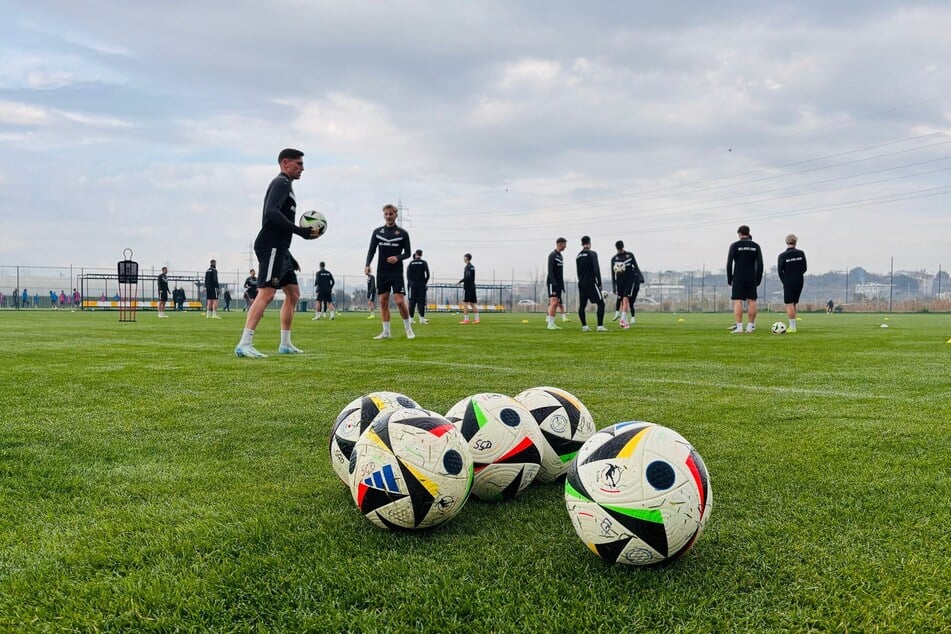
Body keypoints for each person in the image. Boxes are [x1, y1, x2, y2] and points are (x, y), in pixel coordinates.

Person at [235, 148, 320, 358]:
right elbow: (271, 213)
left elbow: (279, 220)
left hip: (281, 248)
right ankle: (244, 343)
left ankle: (285, 344)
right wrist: (300, 231)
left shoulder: (288, 186)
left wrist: (289, 255)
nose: (302, 168)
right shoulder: (281, 182)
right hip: (270, 244)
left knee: (293, 294)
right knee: (267, 292)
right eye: (298, 164)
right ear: (285, 163)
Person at [365, 203, 415, 340]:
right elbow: (371, 250)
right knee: (383, 301)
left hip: (396, 272)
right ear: (384, 215)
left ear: (395, 215)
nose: (388, 216)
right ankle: (386, 332)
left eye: (391, 214)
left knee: (399, 301)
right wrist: (367, 264)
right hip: (382, 272)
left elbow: (408, 253)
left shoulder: (403, 233)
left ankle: (408, 328)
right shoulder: (377, 232)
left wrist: (397, 258)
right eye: (386, 214)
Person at [726, 224, 764, 334]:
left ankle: (739, 327)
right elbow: (760, 264)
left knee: (738, 301)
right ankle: (750, 326)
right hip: (751, 277)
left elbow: (729, 264)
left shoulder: (734, 246)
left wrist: (730, 278)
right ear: (748, 233)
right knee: (752, 301)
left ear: (739, 234)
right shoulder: (756, 246)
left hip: (738, 277)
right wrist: (758, 278)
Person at [610, 240, 645, 329]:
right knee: (623, 301)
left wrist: (641, 277)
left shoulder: (629, 255)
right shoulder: (614, 259)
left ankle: (623, 320)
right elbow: (613, 274)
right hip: (619, 282)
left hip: (629, 280)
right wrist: (614, 287)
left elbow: (636, 267)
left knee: (625, 300)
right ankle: (624, 321)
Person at [576, 236, 607, 332]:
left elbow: (578, 272)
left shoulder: (578, 256)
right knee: (601, 303)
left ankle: (584, 326)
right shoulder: (592, 253)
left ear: (582, 243)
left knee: (582, 306)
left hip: (581, 283)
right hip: (591, 282)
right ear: (589, 243)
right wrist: (599, 283)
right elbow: (596, 269)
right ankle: (600, 326)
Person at [777, 234, 807, 332]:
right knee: (794, 303)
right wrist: (797, 274)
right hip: (799, 281)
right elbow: (804, 268)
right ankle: (793, 325)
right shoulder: (801, 253)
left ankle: (792, 327)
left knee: (789, 303)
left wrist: (784, 281)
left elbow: (780, 271)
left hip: (788, 281)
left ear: (786, 242)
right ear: (795, 242)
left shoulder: (782, 256)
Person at [546, 238, 567, 330]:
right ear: (559, 244)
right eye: (564, 244)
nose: (565, 246)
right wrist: (553, 283)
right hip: (552, 282)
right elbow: (550, 271)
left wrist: (561, 285)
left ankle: (553, 323)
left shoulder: (560, 256)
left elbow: (561, 273)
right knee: (553, 302)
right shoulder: (552, 255)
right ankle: (549, 324)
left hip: (559, 284)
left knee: (556, 303)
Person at [406, 248, 431, 324]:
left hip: (412, 286)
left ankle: (411, 319)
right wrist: (424, 282)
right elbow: (428, 274)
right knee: (421, 302)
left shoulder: (411, 263)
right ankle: (421, 319)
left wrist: (410, 283)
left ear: (416, 254)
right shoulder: (424, 263)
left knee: (412, 302)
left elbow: (408, 275)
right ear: (421, 255)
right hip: (421, 285)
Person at [458, 253, 479, 324]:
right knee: (472, 304)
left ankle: (466, 320)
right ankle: (477, 319)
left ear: (466, 258)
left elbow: (468, 276)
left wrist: (460, 281)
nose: (463, 259)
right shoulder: (472, 266)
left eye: (464, 258)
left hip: (467, 287)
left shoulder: (467, 267)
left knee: (465, 303)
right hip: (473, 286)